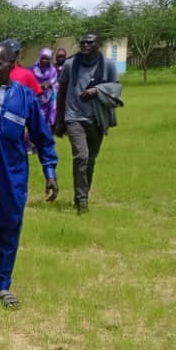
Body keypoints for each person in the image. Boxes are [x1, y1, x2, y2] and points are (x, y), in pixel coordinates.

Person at [0, 43, 59, 308]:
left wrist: (49, 171)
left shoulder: (26, 98)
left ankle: (2, 286)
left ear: (13, 63)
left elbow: (42, 137)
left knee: (9, 230)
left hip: (12, 176)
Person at [54, 32, 121, 215]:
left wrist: (96, 90)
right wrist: (58, 120)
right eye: (82, 42)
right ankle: (82, 200)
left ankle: (82, 194)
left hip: (97, 119)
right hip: (73, 117)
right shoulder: (69, 64)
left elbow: (116, 87)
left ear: (97, 45)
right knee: (81, 157)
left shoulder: (107, 65)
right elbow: (61, 92)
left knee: (90, 159)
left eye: (89, 43)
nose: (84, 45)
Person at [32, 48, 60, 128]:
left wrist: (50, 84)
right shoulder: (32, 70)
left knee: (46, 122)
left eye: (47, 58)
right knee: (35, 121)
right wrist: (38, 86)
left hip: (48, 101)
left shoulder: (53, 70)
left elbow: (55, 82)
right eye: (42, 58)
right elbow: (28, 83)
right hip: (35, 99)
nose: (44, 60)